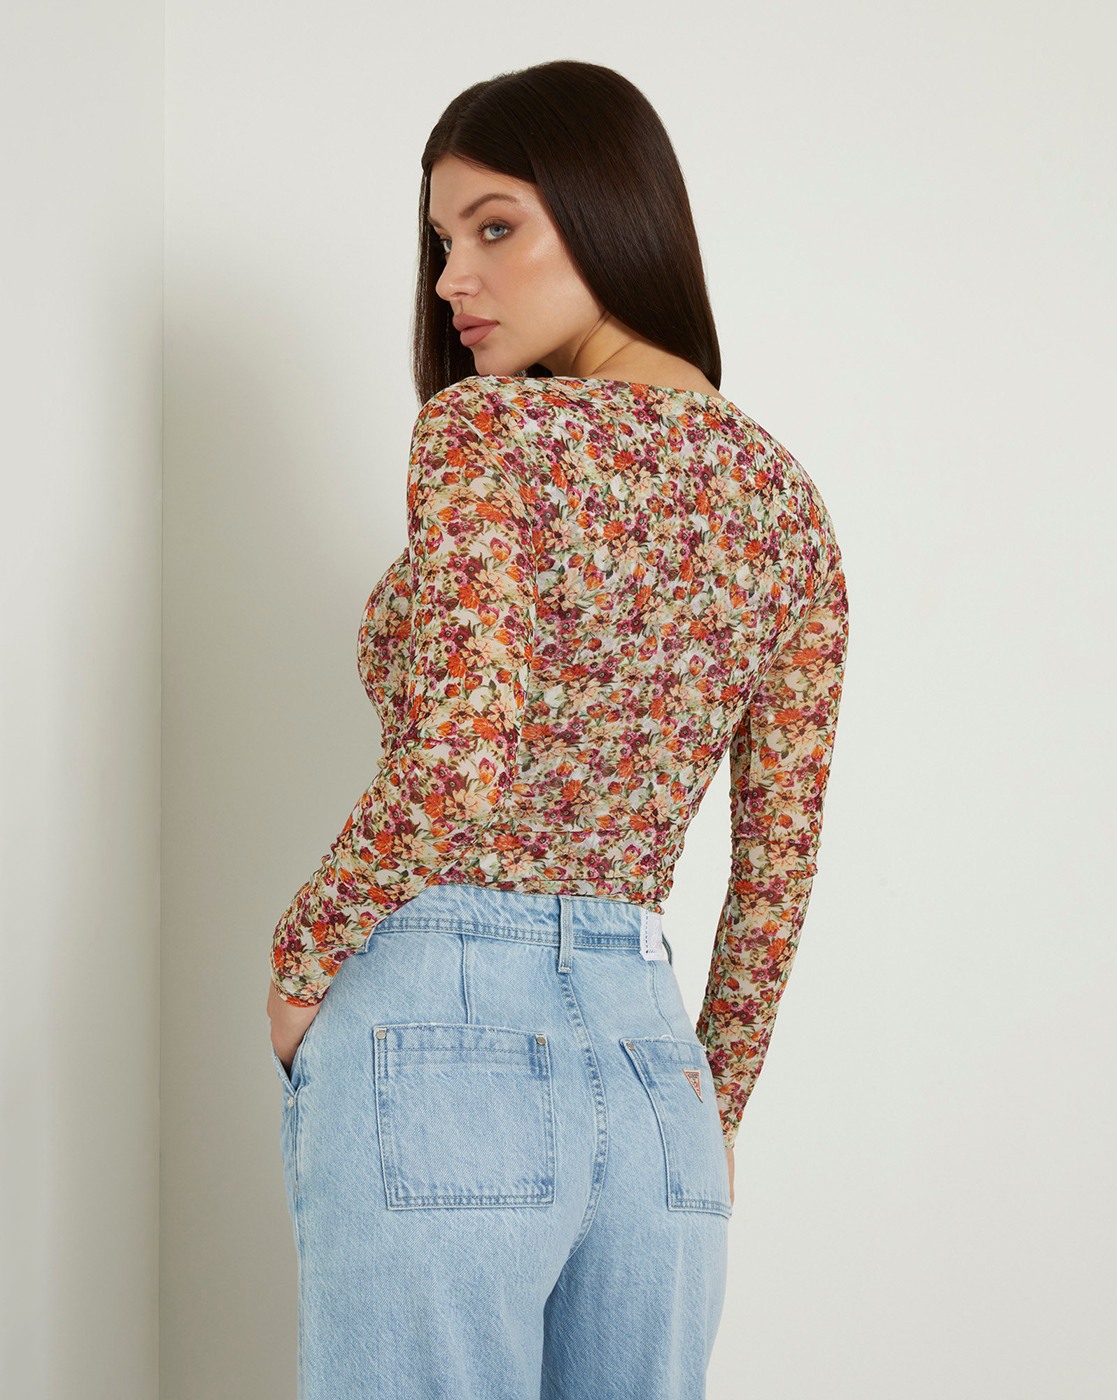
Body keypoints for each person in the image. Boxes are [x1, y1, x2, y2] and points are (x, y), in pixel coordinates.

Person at [265, 58, 849, 1400]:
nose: (451, 280)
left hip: (437, 1026)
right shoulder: (786, 502)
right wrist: (711, 1104)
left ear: (611, 212)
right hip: (656, 1073)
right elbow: (777, 869)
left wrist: (302, 955)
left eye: (494, 227)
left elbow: (461, 753)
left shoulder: (489, 434)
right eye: (439, 243)